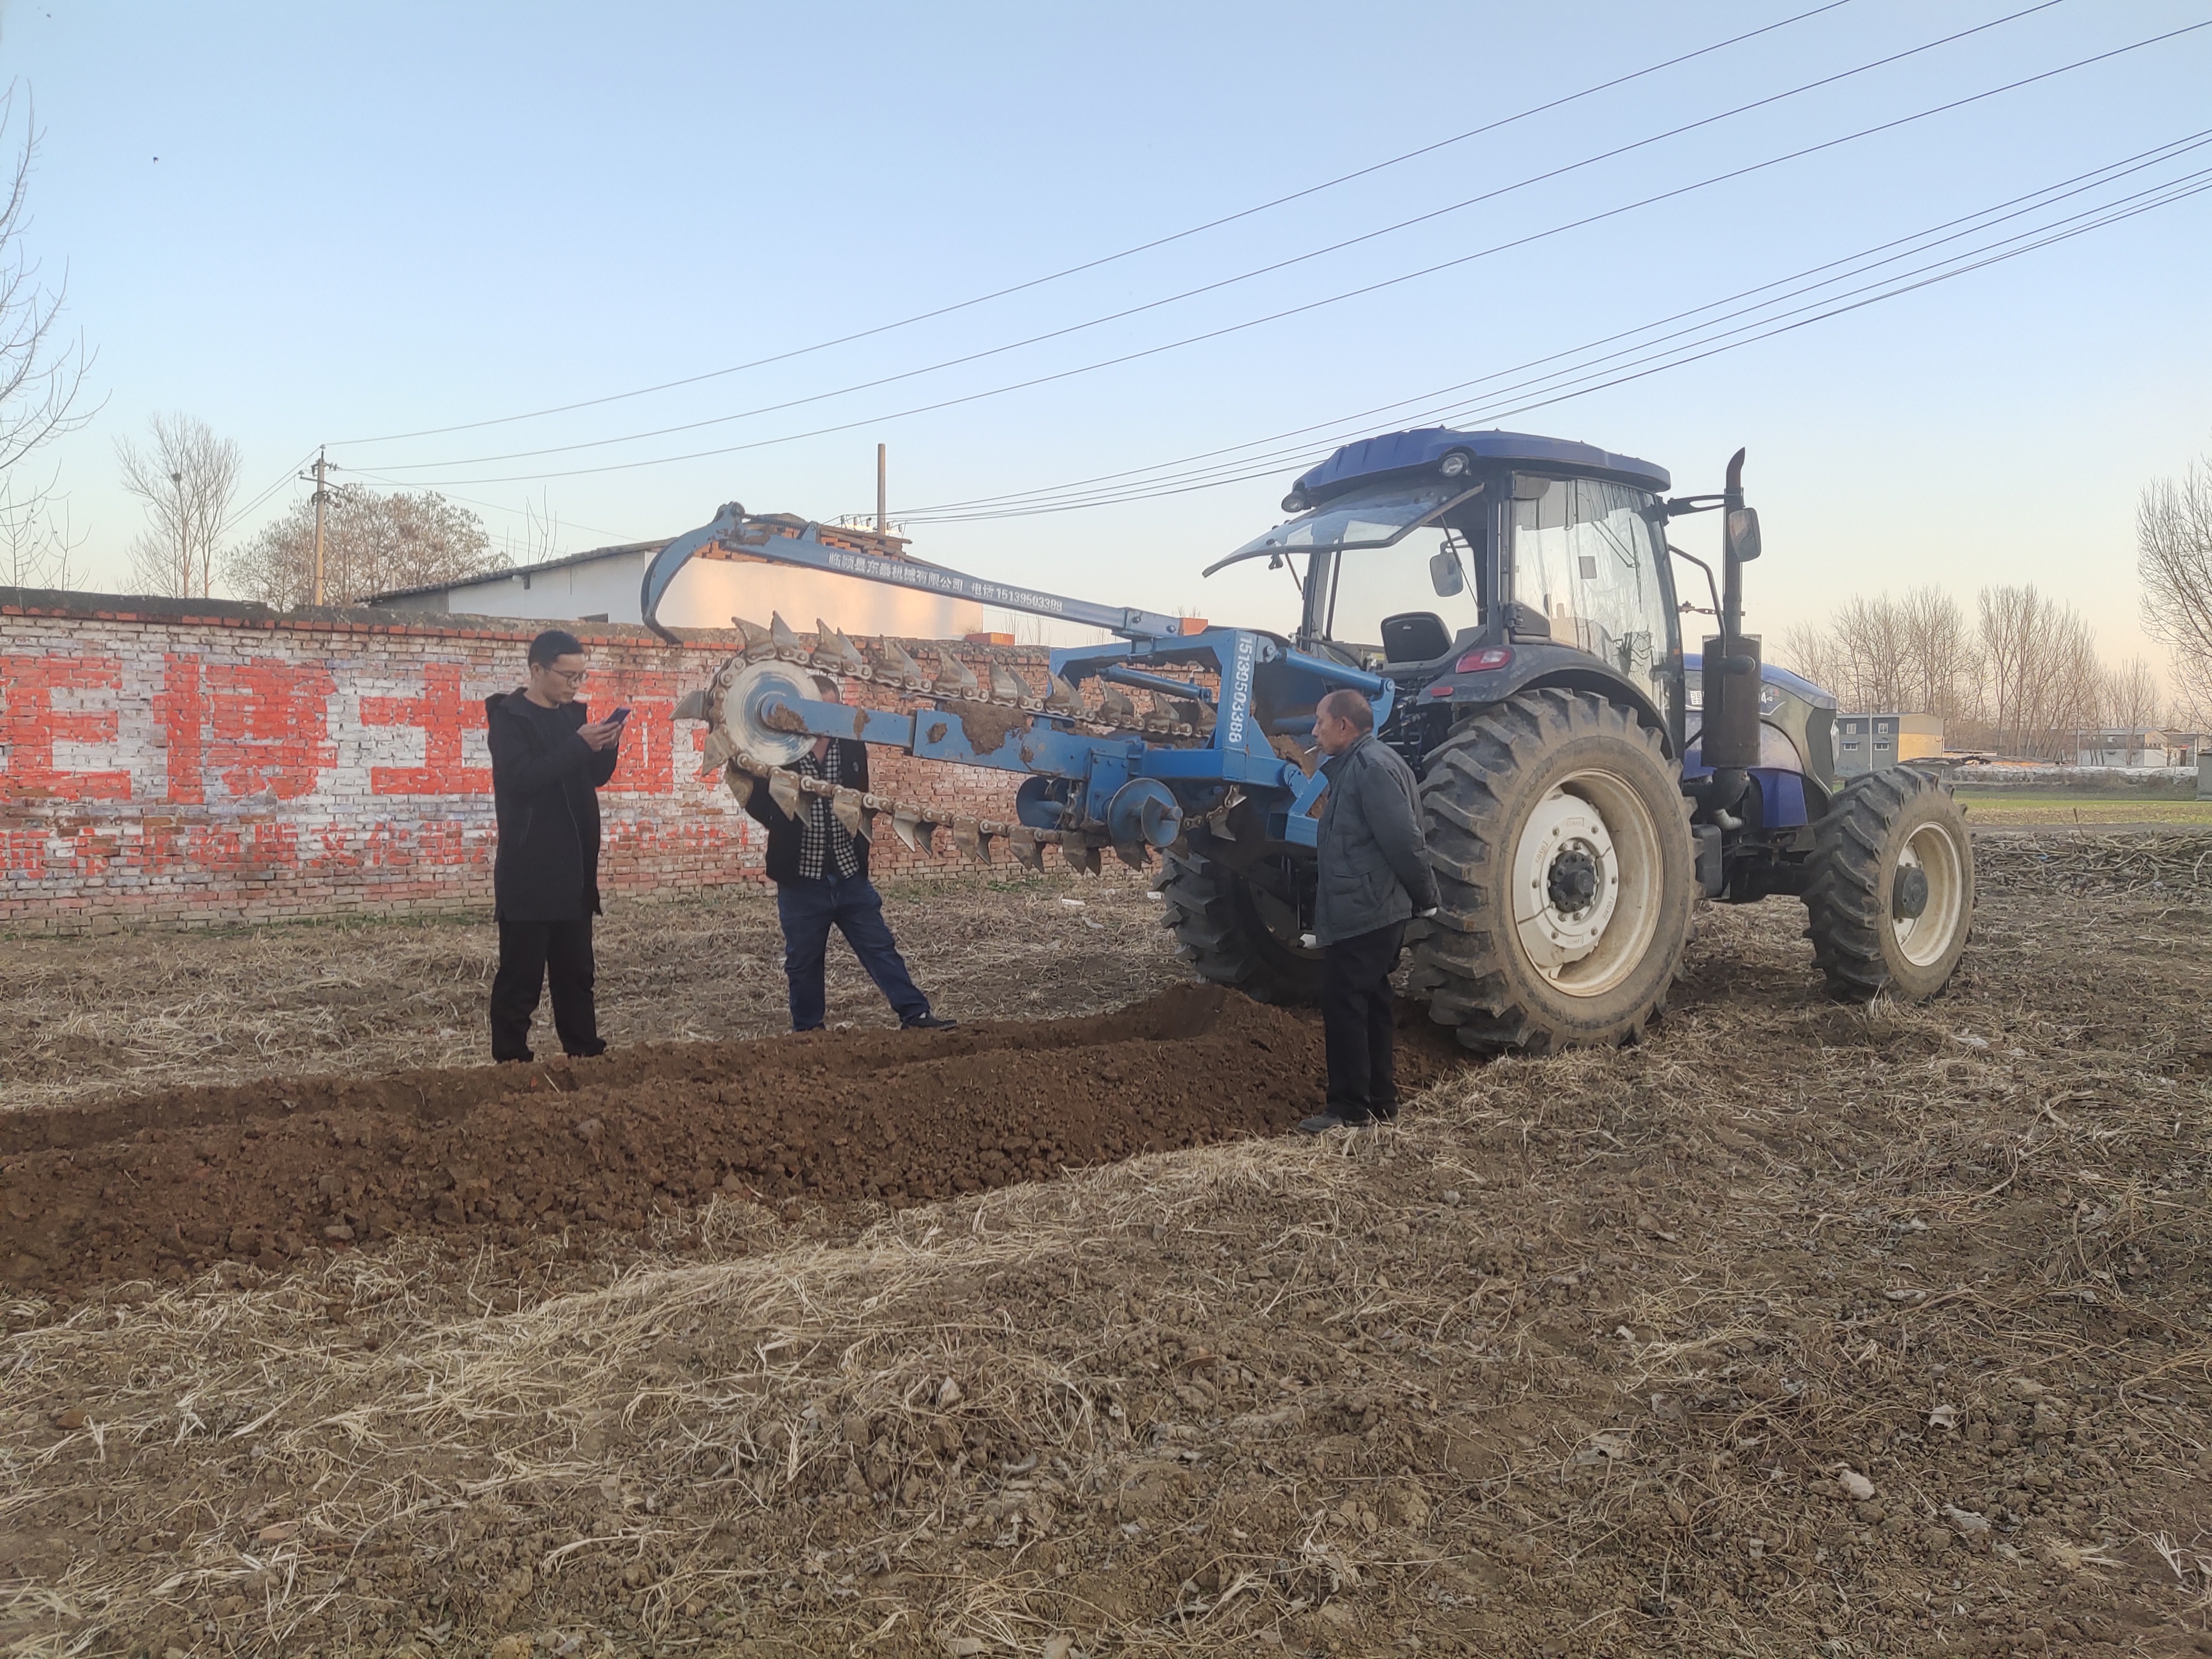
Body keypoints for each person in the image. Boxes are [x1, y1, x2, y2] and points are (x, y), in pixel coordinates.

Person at [743, 676, 955, 1034]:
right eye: (819, 708)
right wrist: (781, 820)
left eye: (834, 708)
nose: (829, 717)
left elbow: (860, 798)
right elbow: (754, 796)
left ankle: (915, 1015)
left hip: (848, 873)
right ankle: (810, 1033)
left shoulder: (852, 747)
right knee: (803, 962)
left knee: (879, 947)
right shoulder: (781, 749)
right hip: (800, 879)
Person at [1299, 687, 1441, 1134]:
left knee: (1345, 1004)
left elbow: (1404, 841)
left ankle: (1349, 1110)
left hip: (1369, 910)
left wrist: (1426, 895)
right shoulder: (1362, 764)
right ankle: (1382, 1102)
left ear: (1345, 725)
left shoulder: (1370, 768)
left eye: (1321, 721)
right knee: (1374, 1001)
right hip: (1371, 906)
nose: (1314, 730)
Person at [486, 628, 624, 1062]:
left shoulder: (573, 717)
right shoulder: (510, 720)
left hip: (574, 873)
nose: (575, 685)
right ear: (537, 670)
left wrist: (605, 747)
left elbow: (592, 777)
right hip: (529, 873)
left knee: (577, 976)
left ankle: (585, 1054)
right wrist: (577, 746)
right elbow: (522, 778)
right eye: (568, 676)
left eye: (582, 676)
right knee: (520, 979)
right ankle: (511, 1061)